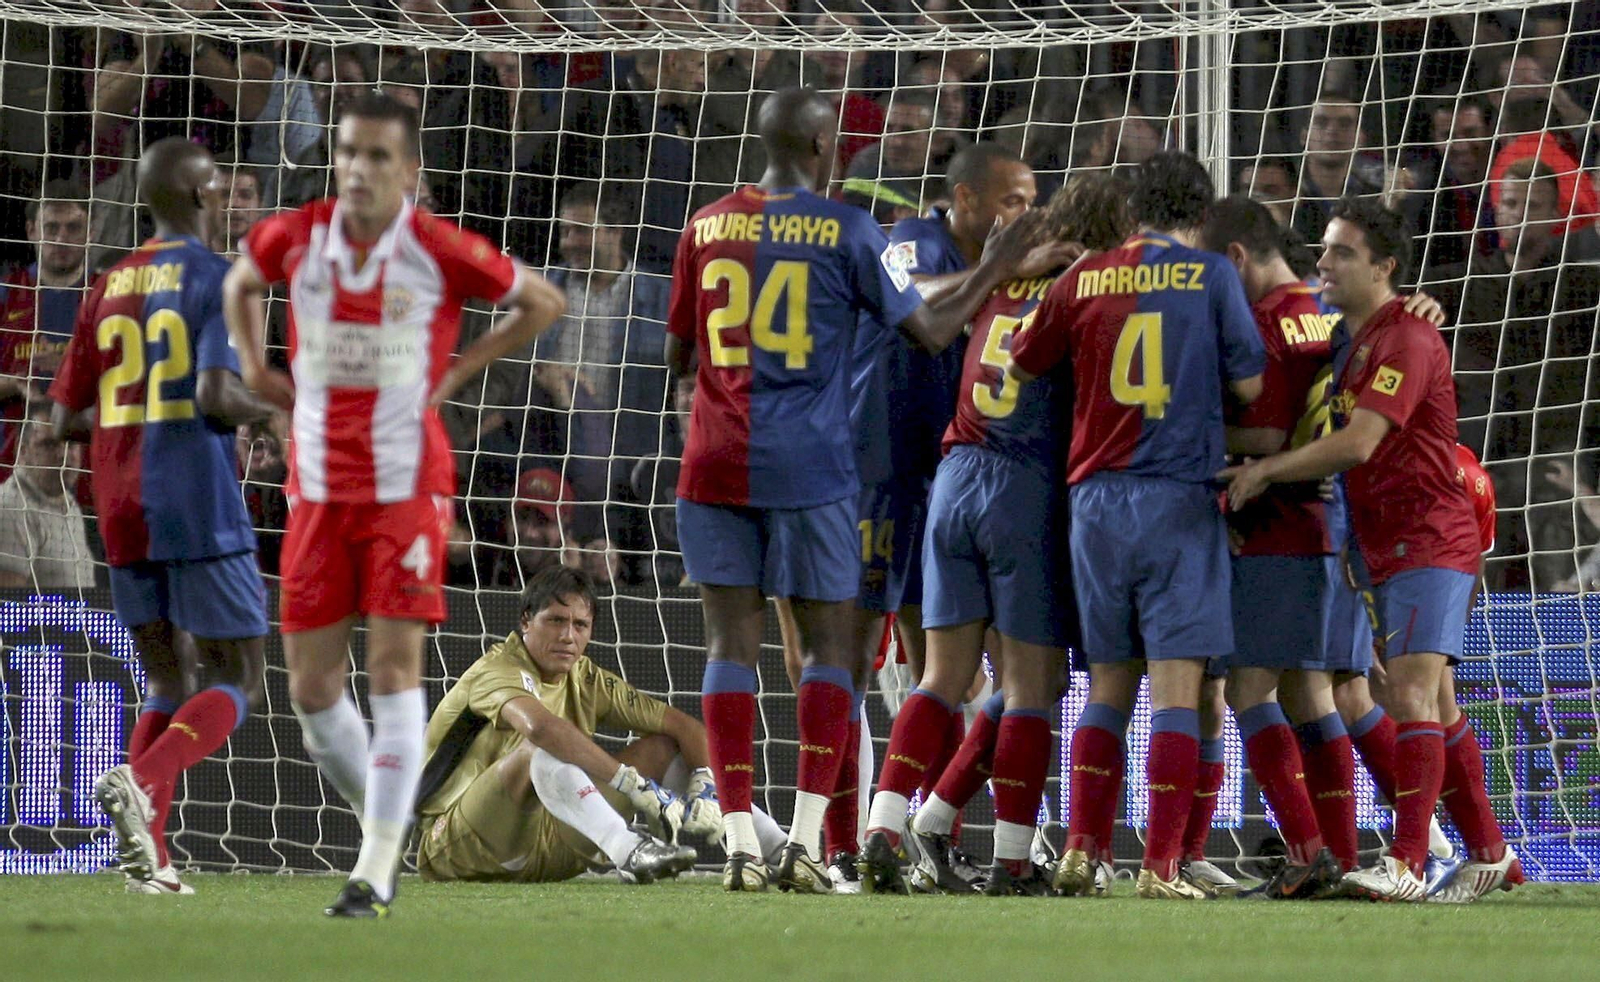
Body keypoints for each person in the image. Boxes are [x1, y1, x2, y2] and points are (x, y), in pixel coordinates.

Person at [222, 91, 566, 918]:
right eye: (348, 154)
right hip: (316, 490)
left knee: (391, 670)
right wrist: (258, 369)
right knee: (310, 693)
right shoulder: (298, 236)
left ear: (409, 173)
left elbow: (543, 301)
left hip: (409, 483)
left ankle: (374, 867)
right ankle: (391, 818)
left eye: (377, 157)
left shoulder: (435, 248)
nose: (358, 171)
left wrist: (460, 370)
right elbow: (240, 280)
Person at [665, 86, 997, 894]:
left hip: (711, 462)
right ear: (822, 149)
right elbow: (928, 329)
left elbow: (678, 361)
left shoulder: (704, 225)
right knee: (834, 653)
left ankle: (741, 838)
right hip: (810, 468)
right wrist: (999, 268)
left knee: (727, 647)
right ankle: (810, 842)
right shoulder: (848, 228)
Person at [1221, 198, 1516, 901]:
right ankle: (1489, 851)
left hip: (1429, 535)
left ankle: (1408, 862)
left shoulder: (1407, 340)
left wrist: (1263, 469)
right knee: (1434, 703)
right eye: (1322, 250)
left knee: (1406, 693)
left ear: (1383, 267)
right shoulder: (1353, 338)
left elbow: (1359, 443)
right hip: (1381, 541)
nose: (1323, 263)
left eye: (1342, 253)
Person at [1009, 151, 1267, 900]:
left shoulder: (1083, 276)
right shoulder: (1212, 275)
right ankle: (1160, 865)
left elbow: (1023, 363)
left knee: (1108, 689)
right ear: (1200, 214)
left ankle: (1082, 851)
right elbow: (1250, 381)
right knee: (1180, 691)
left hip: (1093, 503)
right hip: (1176, 499)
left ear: (1133, 208)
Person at [867, 175, 1129, 897]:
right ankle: (1015, 860)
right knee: (1031, 687)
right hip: (1024, 486)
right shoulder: (1091, 288)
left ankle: (883, 829)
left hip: (955, 475)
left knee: (941, 678)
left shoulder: (1005, 282)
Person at [47, 137, 278, 895]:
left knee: (166, 678)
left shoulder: (107, 282)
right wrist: (275, 410)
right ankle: (142, 780)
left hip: (118, 506)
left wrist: (131, 418)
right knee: (238, 671)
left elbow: (61, 418)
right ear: (203, 196)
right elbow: (216, 396)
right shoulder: (218, 276)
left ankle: (150, 857)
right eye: (221, 187)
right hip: (198, 503)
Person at [416, 566, 750, 885]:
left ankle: (760, 850)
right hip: (460, 846)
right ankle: (628, 850)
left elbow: (685, 727)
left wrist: (707, 787)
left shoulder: (585, 677)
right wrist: (631, 784)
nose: (567, 636)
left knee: (662, 748)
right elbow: (540, 729)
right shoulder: (497, 669)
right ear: (526, 622)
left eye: (580, 625)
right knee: (539, 750)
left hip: (547, 850)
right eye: (556, 621)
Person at [1200, 196, 1349, 895]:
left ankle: (1305, 850)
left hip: (1273, 526)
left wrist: (1182, 441)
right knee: (1306, 696)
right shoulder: (1324, 310)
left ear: (1234, 259)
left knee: (1249, 693)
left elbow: (1262, 439)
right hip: (1317, 527)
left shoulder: (1267, 321)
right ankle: (1338, 856)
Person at [0, 180, 90, 480]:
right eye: (51, 227)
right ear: (31, 231)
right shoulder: (6, 294)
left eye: (73, 228)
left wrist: (73, 368)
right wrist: (16, 382)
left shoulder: (108, 294)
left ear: (91, 233)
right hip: (12, 473)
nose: (61, 238)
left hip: (90, 473)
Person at [0, 404, 94, 589]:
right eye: (49, 444)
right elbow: (8, 610)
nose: (64, 454)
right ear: (23, 449)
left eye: (72, 443)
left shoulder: (67, 502)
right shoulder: (10, 508)